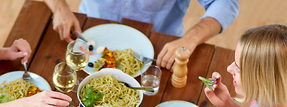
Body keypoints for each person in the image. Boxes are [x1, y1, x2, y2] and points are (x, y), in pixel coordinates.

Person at [43, 0, 238, 69]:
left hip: (160, 49)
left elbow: (225, 3)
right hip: (87, 35)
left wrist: (191, 39)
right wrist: (60, 7)